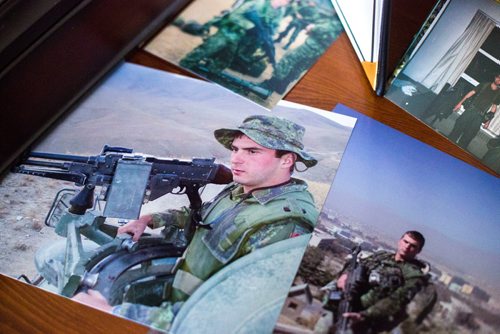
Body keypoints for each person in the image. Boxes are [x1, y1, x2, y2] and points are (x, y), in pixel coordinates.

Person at [72, 114, 320, 331]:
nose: (236, 159)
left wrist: (115, 314)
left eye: (252, 151)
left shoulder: (284, 223)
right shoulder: (244, 189)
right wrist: (150, 219)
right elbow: (207, 216)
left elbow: (227, 316)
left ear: (286, 160)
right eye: (235, 149)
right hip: (180, 296)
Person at [327, 231, 432, 333]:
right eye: (405, 242)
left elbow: (396, 300)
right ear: (399, 241)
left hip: (365, 320)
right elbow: (357, 266)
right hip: (344, 302)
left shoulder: (414, 275)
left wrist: (364, 315)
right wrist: (345, 275)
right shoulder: (381, 256)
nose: (407, 247)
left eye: (413, 246)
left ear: (418, 251)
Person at [179, 0, 290, 77]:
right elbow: (234, 15)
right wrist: (251, 26)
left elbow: (274, 26)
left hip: (246, 37)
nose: (285, 2)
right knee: (211, 47)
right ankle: (184, 65)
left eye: (288, 1)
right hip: (231, 30)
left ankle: (210, 74)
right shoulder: (259, 3)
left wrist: (268, 32)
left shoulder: (280, 11)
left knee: (226, 59)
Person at [447, 74, 500, 149]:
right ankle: (447, 146)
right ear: (495, 77)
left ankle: (458, 151)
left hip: (480, 116)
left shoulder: (498, 93)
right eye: (499, 77)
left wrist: (488, 122)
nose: (499, 80)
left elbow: (494, 107)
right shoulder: (484, 84)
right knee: (457, 129)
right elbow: (471, 92)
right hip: (470, 110)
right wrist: (460, 103)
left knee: (469, 136)